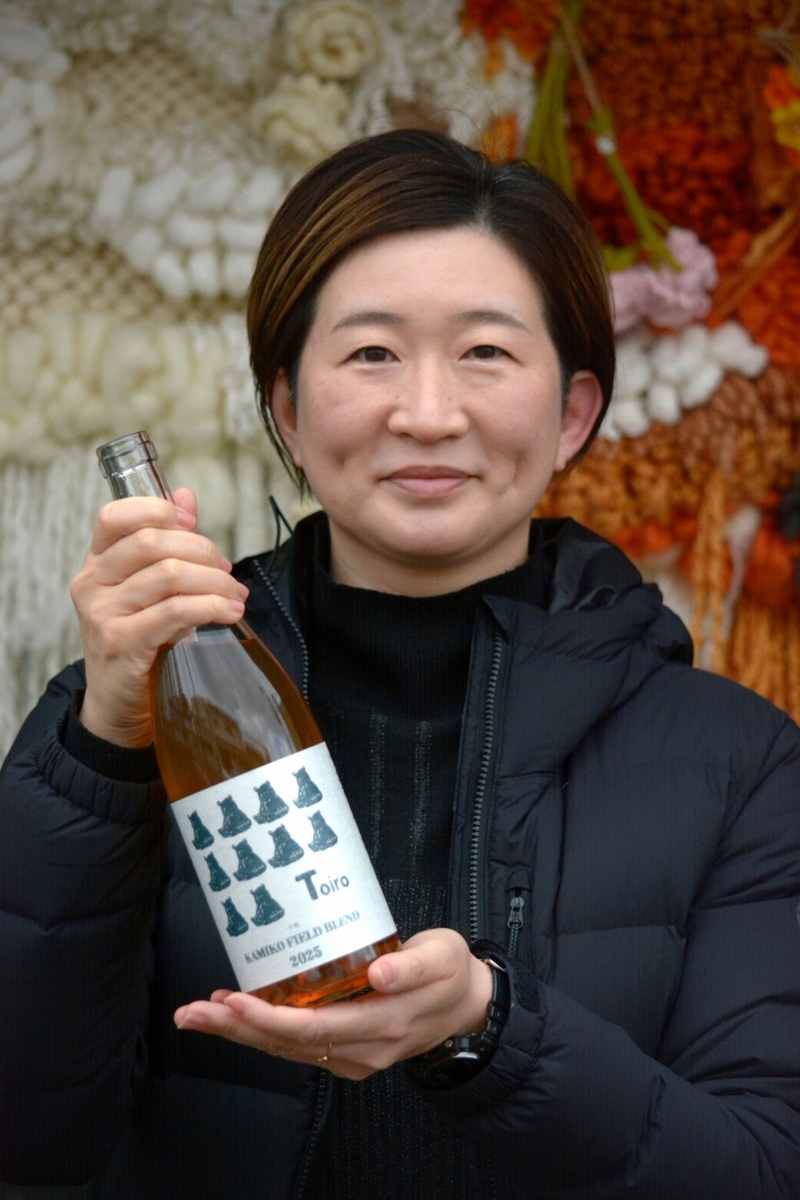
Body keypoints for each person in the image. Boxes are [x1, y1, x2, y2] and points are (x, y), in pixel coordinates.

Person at [1, 130, 799, 1200]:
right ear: (288, 410)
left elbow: (763, 1168)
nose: (427, 414)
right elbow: (31, 1144)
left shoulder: (737, 760)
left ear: (572, 414)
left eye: (485, 353)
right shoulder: (131, 718)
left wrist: (488, 1032)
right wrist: (98, 755)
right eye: (371, 353)